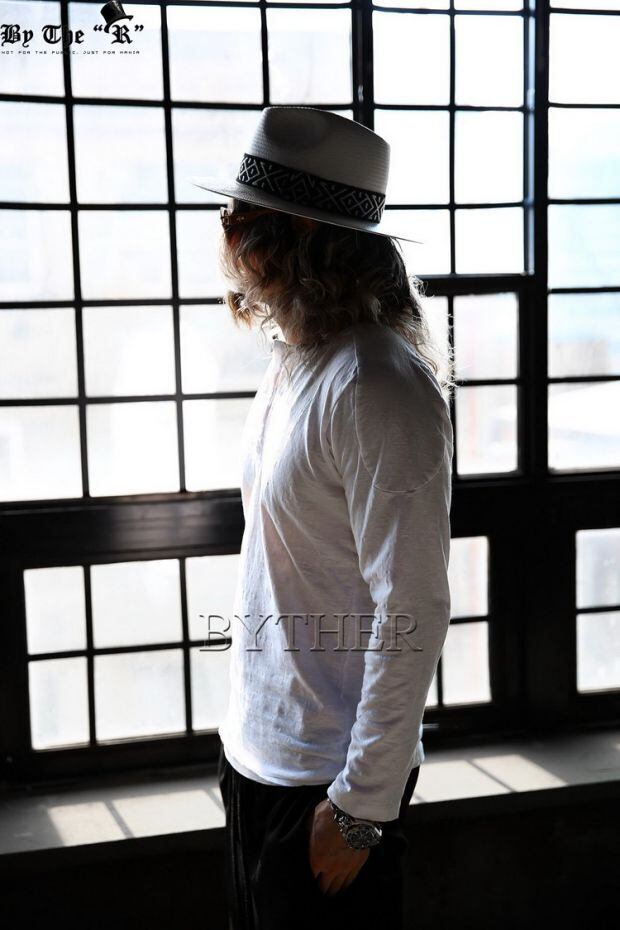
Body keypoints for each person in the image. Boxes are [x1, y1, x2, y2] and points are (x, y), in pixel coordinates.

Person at [189, 107, 455, 929]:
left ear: (298, 234)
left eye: (240, 213)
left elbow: (414, 606)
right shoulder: (297, 359)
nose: (224, 228)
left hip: (330, 785)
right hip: (261, 761)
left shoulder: (376, 384)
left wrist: (361, 810)